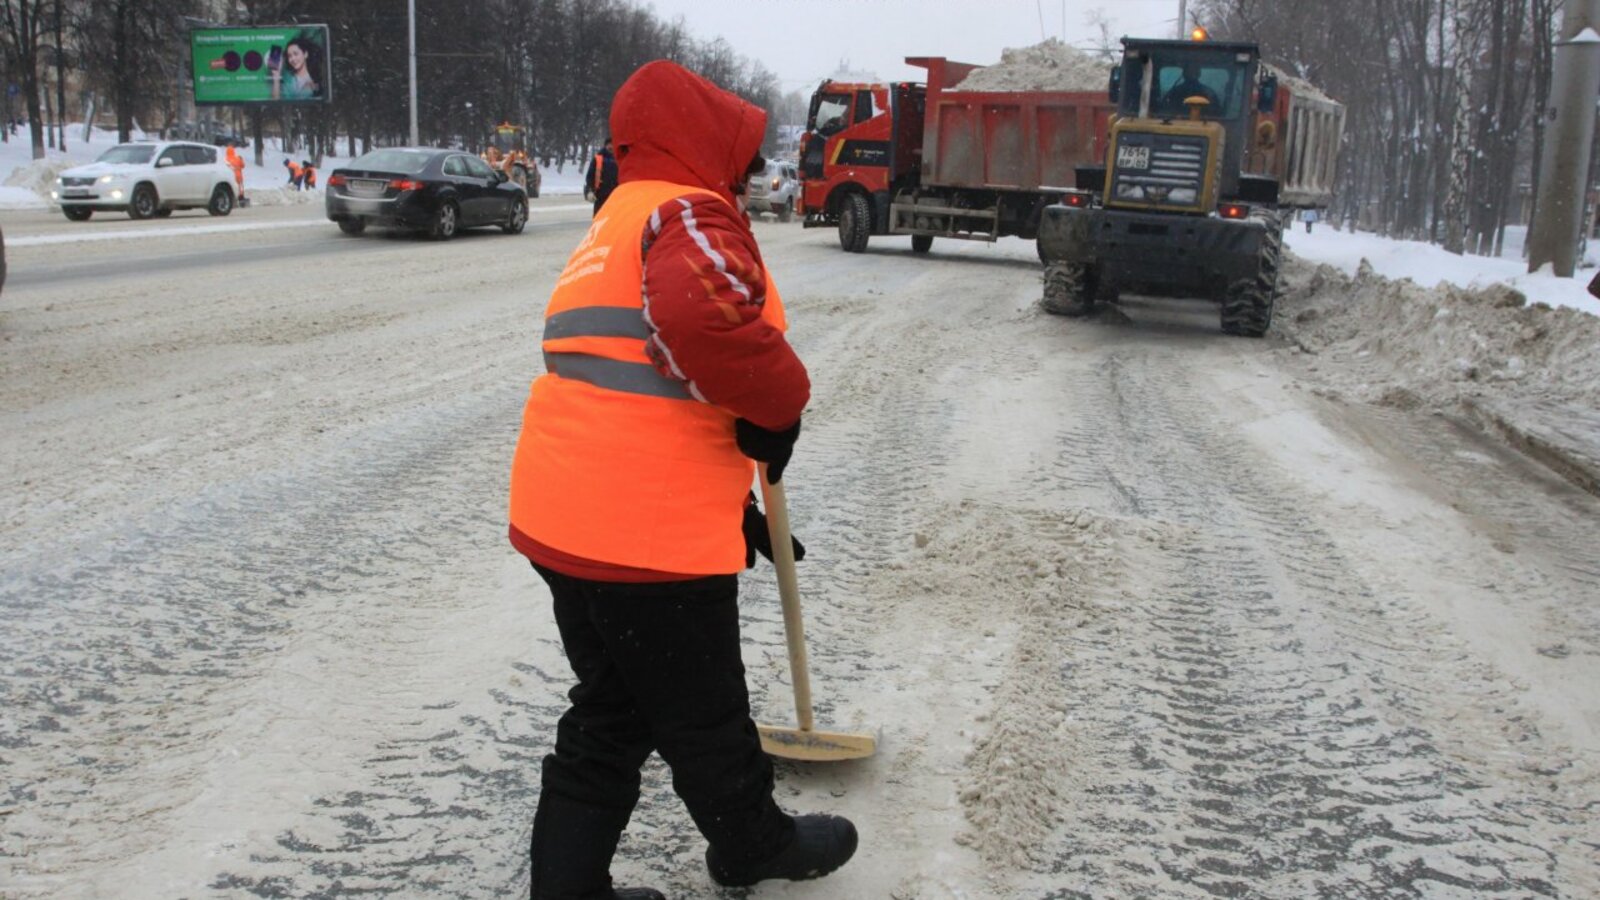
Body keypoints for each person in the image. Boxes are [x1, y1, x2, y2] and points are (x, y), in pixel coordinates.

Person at [507, 59, 857, 900]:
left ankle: (568, 889)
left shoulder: (614, 218)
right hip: (641, 538)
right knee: (703, 717)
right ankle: (753, 847)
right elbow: (700, 321)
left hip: (567, 517)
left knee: (614, 711)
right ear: (704, 135)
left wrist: (727, 506)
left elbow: (635, 388)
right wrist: (780, 406)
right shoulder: (691, 209)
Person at [270, 35, 322, 101]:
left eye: (296, 54)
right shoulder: (287, 76)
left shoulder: (313, 82)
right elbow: (275, 101)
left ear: (305, 54)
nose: (293, 59)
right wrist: (276, 75)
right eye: (289, 56)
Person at [584, 136, 618, 214]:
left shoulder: (620, 159)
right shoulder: (598, 159)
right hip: (601, 196)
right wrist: (589, 191)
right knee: (599, 221)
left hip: (616, 197)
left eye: (613, 144)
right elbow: (590, 177)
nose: (611, 146)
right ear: (605, 146)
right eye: (609, 144)